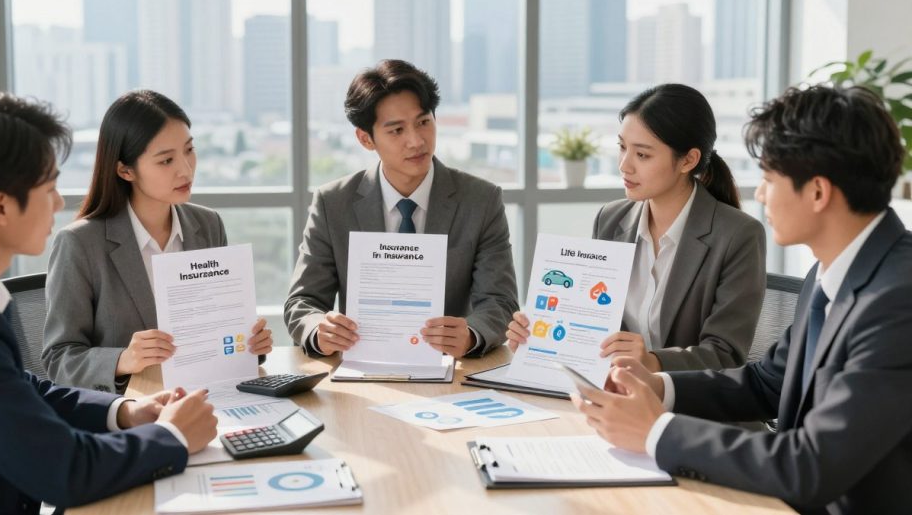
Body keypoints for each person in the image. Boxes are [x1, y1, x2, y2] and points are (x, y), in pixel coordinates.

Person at [575, 85, 912, 514]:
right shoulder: (830, 272)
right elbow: (765, 383)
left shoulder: (898, 299)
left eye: (770, 179)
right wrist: (655, 385)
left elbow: (811, 464)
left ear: (817, 192)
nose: (759, 195)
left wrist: (656, 432)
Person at [0, 93, 218, 514]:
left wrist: (126, 411)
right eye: (48, 188)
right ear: (2, 206)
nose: (60, 204)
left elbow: (22, 390)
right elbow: (65, 471)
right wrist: (172, 436)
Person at [507, 84, 766, 370]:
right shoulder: (611, 219)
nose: (624, 165)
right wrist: (539, 337)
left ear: (688, 160)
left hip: (685, 404)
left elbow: (725, 355)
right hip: (614, 393)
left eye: (642, 155)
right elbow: (591, 323)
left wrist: (653, 361)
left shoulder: (738, 235)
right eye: (622, 147)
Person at [284, 59, 519, 359]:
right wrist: (320, 330)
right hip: (363, 368)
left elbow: (500, 302)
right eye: (396, 130)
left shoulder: (481, 200)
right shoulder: (333, 203)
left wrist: (471, 335)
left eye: (424, 122)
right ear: (365, 138)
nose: (416, 141)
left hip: (452, 369)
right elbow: (302, 303)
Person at [43, 90, 272, 393]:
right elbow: (58, 359)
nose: (185, 169)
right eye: (166, 160)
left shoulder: (208, 225)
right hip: (132, 413)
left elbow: (218, 333)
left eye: (189, 150)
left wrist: (250, 341)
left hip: (211, 397)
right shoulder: (79, 243)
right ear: (125, 170)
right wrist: (123, 359)